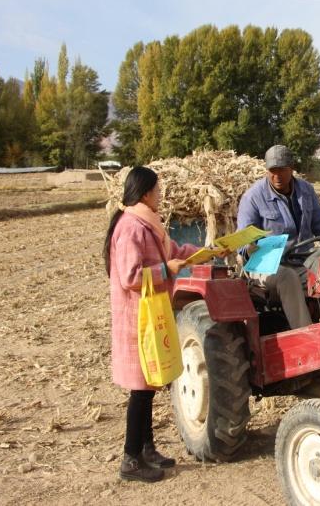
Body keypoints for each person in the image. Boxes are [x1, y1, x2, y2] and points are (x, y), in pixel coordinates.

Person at [103, 166, 200, 482]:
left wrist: (208, 253)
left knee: (148, 386)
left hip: (150, 314)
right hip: (137, 318)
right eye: (158, 191)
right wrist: (166, 271)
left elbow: (174, 253)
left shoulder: (148, 223)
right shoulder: (131, 228)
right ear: (146, 193)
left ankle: (147, 449)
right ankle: (131, 460)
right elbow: (131, 277)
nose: (161, 195)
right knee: (141, 390)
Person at [237, 144, 320, 328]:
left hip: (302, 259)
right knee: (287, 277)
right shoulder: (253, 197)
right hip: (265, 265)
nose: (276, 176)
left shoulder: (306, 191)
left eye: (281, 170)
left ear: (292, 168)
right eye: (272, 171)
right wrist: (250, 246)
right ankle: (307, 338)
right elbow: (242, 242)